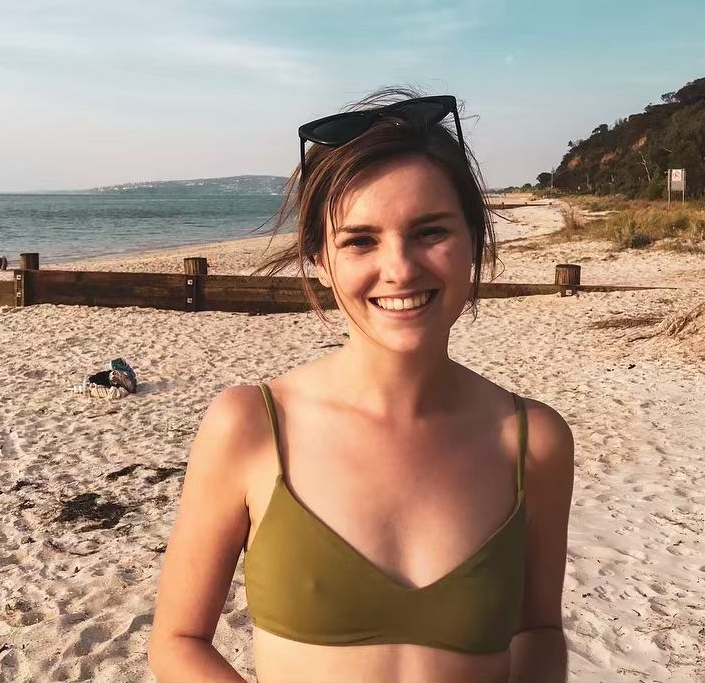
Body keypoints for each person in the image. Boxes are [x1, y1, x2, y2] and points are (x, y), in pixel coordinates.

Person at [148, 88, 575, 683]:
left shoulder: (533, 441)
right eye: (360, 240)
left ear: (473, 242)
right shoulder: (251, 424)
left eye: (430, 232)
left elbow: (538, 631)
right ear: (321, 260)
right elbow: (178, 641)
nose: (399, 268)